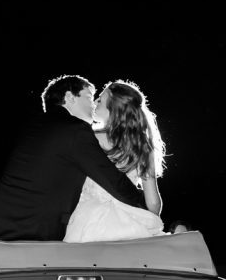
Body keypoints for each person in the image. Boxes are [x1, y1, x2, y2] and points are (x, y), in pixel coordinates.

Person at [0, 75, 147, 241]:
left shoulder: (35, 125)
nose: (93, 105)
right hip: (30, 229)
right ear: (69, 97)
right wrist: (144, 207)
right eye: (88, 97)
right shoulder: (74, 130)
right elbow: (111, 179)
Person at [63, 79, 166, 243]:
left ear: (113, 108)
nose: (95, 102)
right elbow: (153, 202)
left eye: (101, 100)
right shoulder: (143, 145)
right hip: (130, 218)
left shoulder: (89, 137)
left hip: (89, 219)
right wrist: (150, 223)